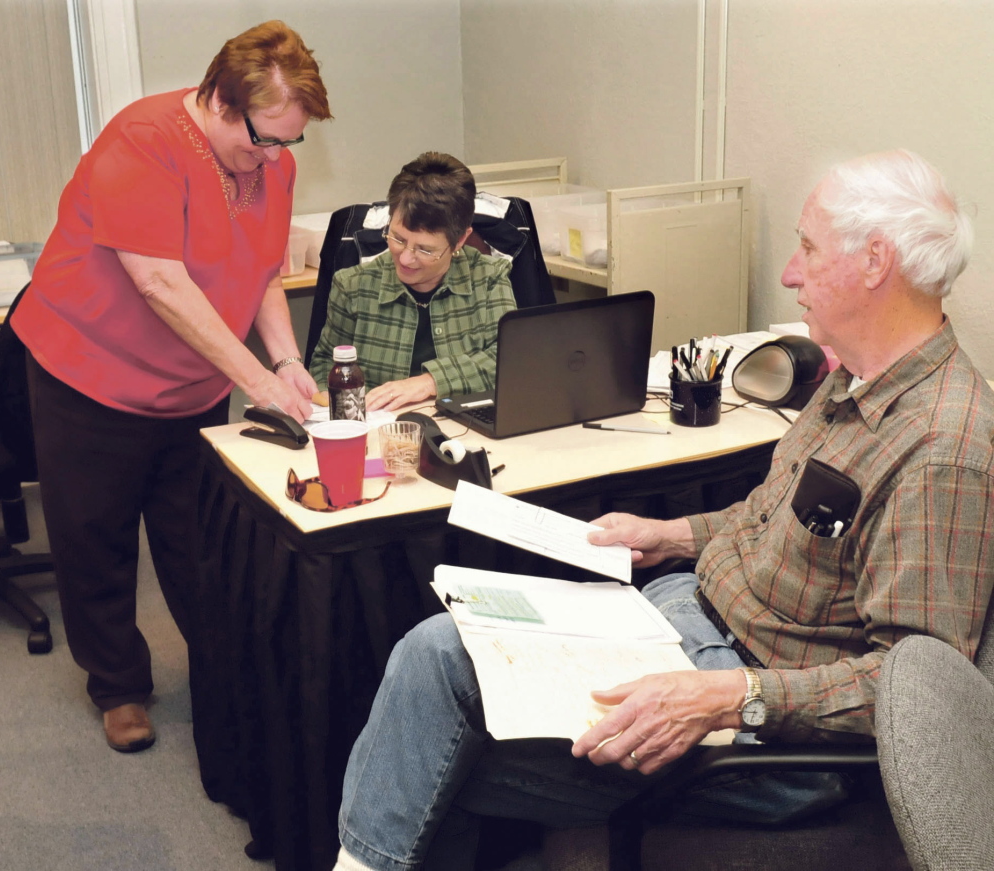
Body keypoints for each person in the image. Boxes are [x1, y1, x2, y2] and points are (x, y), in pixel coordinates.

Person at [331, 149, 994, 871]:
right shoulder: (856, 383)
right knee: (442, 661)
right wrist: (673, 533)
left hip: (755, 726)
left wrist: (725, 696)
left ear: (874, 262)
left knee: (433, 697)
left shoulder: (941, 449)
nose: (788, 273)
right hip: (686, 618)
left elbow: (915, 699)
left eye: (806, 247)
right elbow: (777, 520)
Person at [12, 20, 331, 753]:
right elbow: (158, 280)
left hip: (193, 379)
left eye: (291, 141)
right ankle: (118, 685)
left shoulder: (269, 165)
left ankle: (221, 664)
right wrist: (254, 376)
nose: (276, 156)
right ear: (220, 100)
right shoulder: (143, 142)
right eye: (264, 137)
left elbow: (260, 274)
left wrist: (284, 363)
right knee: (97, 535)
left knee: (199, 538)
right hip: (89, 371)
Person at [309, 152, 517, 412]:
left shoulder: (489, 278)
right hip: (380, 432)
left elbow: (510, 361)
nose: (406, 258)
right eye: (397, 238)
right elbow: (323, 367)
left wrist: (430, 382)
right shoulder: (353, 286)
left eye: (426, 250)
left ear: (460, 240)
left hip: (466, 429)